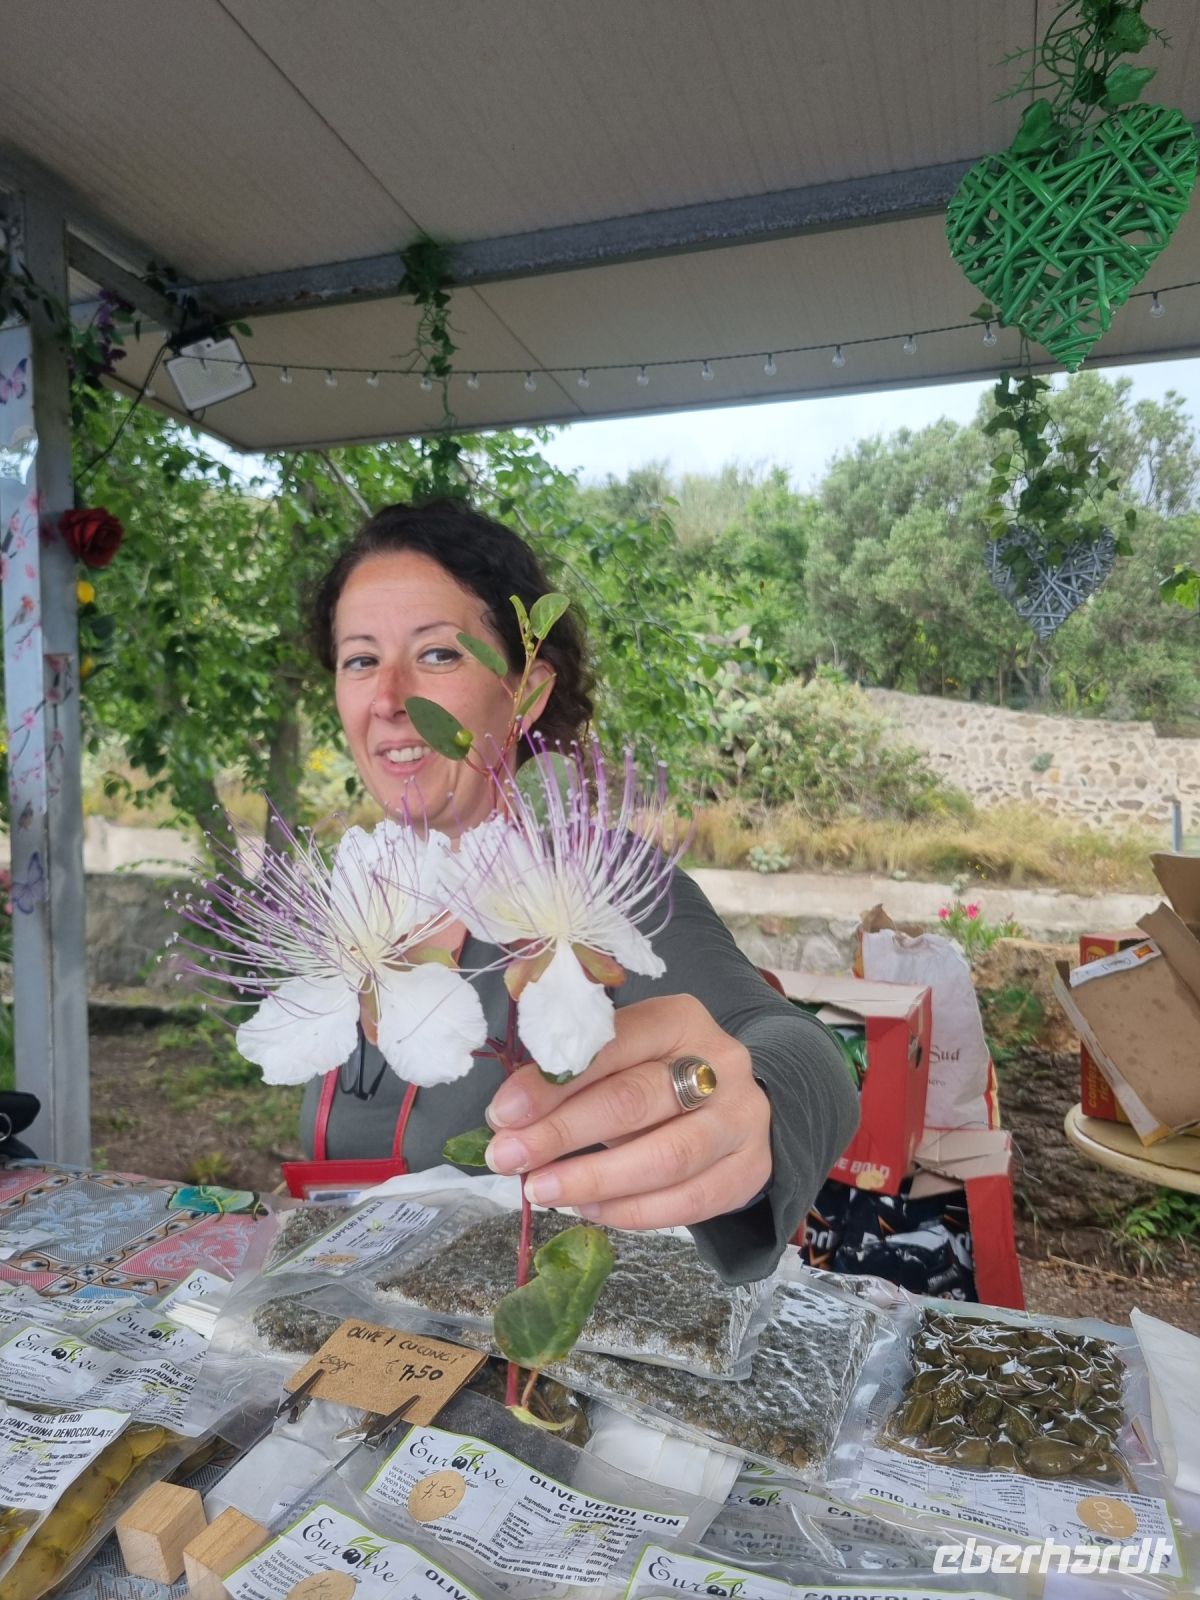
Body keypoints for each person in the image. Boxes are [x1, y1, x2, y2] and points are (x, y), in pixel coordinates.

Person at [300, 499, 858, 1284]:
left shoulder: (599, 885)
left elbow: (801, 1050)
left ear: (523, 693)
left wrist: (752, 1104)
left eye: (436, 656)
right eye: (360, 660)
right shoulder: (349, 899)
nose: (389, 697)